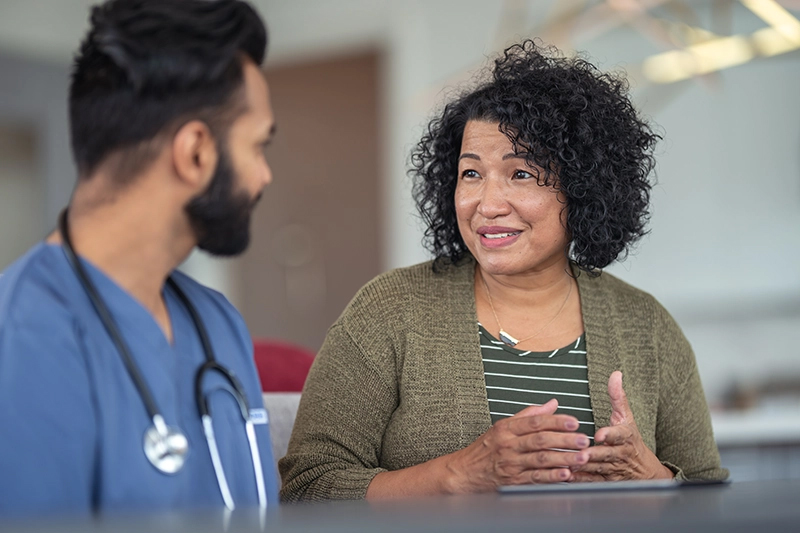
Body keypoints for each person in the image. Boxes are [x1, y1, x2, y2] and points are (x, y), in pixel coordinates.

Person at [280, 40, 728, 501]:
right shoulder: (390, 311)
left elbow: (713, 502)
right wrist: (457, 475)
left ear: (583, 187)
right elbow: (306, 488)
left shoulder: (647, 326)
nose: (487, 205)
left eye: (521, 174)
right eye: (471, 174)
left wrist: (652, 479)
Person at [0, 0, 280, 515]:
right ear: (195, 152)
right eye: (258, 147)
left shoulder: (218, 324)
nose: (265, 176)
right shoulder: (22, 338)